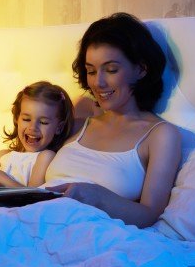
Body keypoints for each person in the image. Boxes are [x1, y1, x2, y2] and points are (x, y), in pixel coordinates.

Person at [44, 12, 182, 228]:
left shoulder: (160, 135)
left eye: (111, 70)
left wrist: (98, 196)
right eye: (90, 70)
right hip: (36, 220)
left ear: (141, 69)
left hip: (88, 233)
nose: (98, 82)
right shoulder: (80, 116)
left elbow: (149, 214)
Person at [0, 81, 74, 187]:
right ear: (16, 119)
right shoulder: (3, 155)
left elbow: (32, 194)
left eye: (43, 122)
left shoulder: (45, 156)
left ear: (58, 128)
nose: (33, 127)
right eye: (26, 119)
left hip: (18, 204)